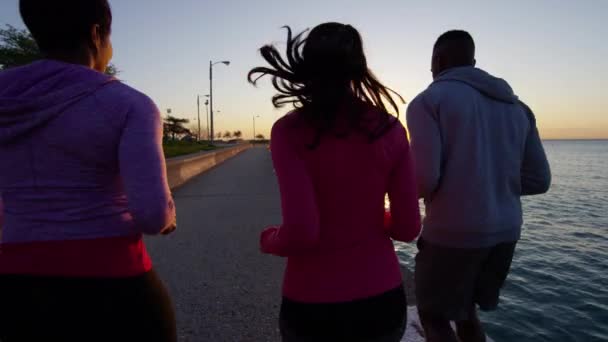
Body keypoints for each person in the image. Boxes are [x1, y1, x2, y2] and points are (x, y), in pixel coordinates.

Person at [0, 1, 178, 341]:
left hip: (17, 287)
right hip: (116, 285)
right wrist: (169, 216)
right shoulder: (129, 104)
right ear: (96, 34)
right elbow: (153, 215)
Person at [249, 23, 421, 342]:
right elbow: (408, 228)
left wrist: (269, 239)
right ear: (359, 67)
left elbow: (302, 234)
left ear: (306, 65)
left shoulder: (289, 131)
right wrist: (371, 218)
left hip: (312, 307)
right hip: (381, 301)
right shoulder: (391, 130)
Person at [406, 30, 551, 342]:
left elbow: (424, 179)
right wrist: (489, 182)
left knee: (433, 315)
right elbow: (540, 181)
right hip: (506, 234)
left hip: (451, 234)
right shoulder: (518, 108)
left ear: (437, 60)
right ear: (473, 62)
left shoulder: (428, 102)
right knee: (466, 311)